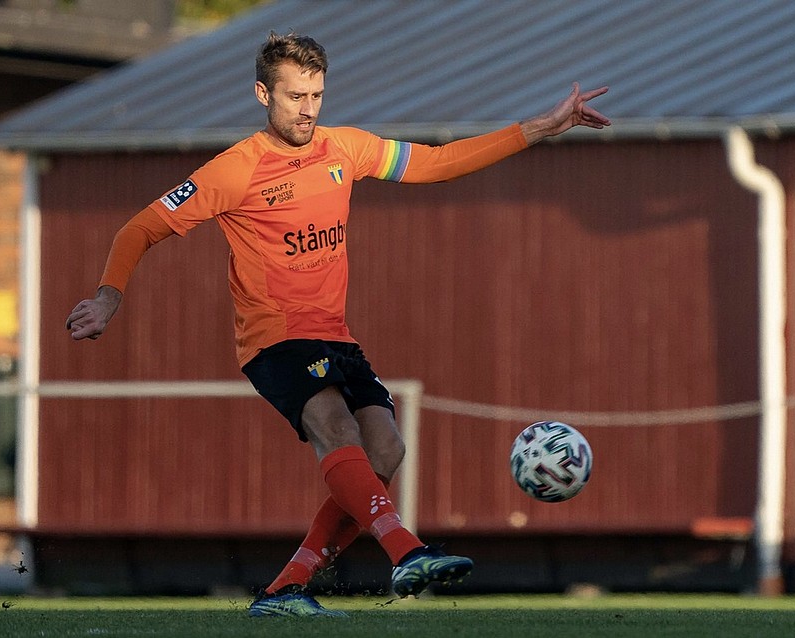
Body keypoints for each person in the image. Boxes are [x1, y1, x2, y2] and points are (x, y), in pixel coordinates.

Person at [65, 30, 610, 618]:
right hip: (275, 338)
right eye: (295, 96)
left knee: (386, 451)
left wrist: (540, 127)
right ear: (263, 94)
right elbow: (140, 228)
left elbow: (438, 163)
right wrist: (108, 298)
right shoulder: (234, 170)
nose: (307, 109)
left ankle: (285, 590)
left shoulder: (344, 149)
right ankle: (406, 551)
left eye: (316, 95)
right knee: (336, 429)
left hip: (334, 336)